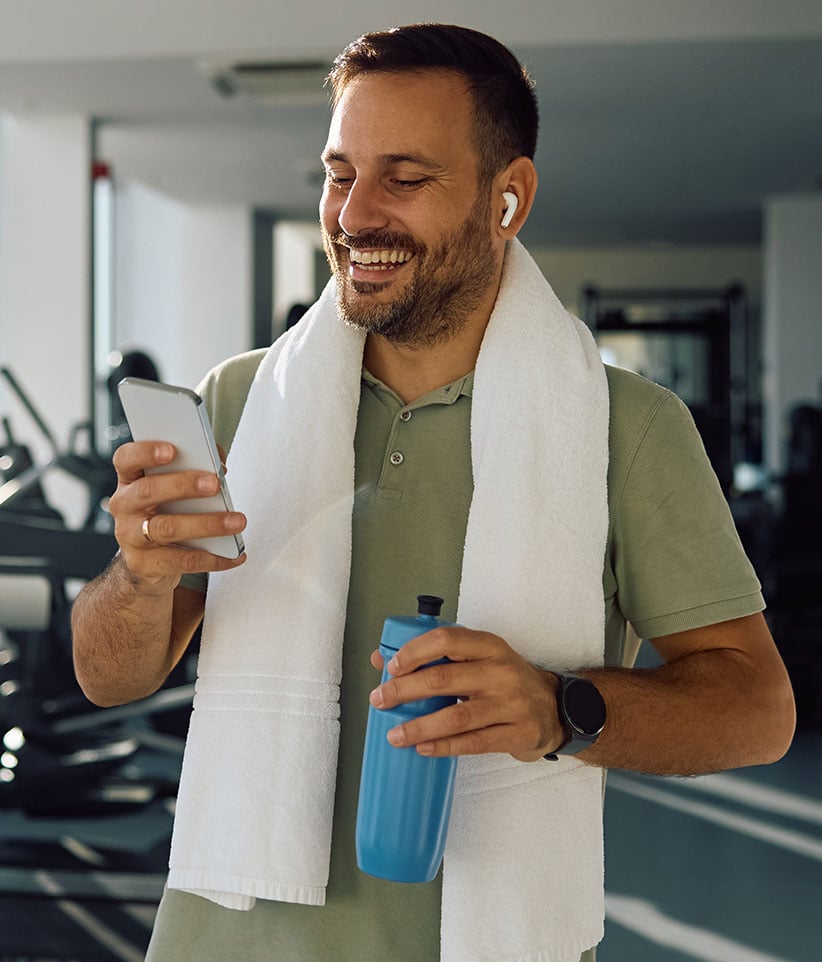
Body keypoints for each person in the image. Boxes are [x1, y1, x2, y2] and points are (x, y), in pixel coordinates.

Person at [70, 23, 795, 962]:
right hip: (225, 936)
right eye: (339, 173)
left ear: (509, 197)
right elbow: (108, 676)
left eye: (404, 179)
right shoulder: (241, 401)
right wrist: (138, 577)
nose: (355, 214)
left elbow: (759, 710)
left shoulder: (629, 427)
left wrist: (560, 709)